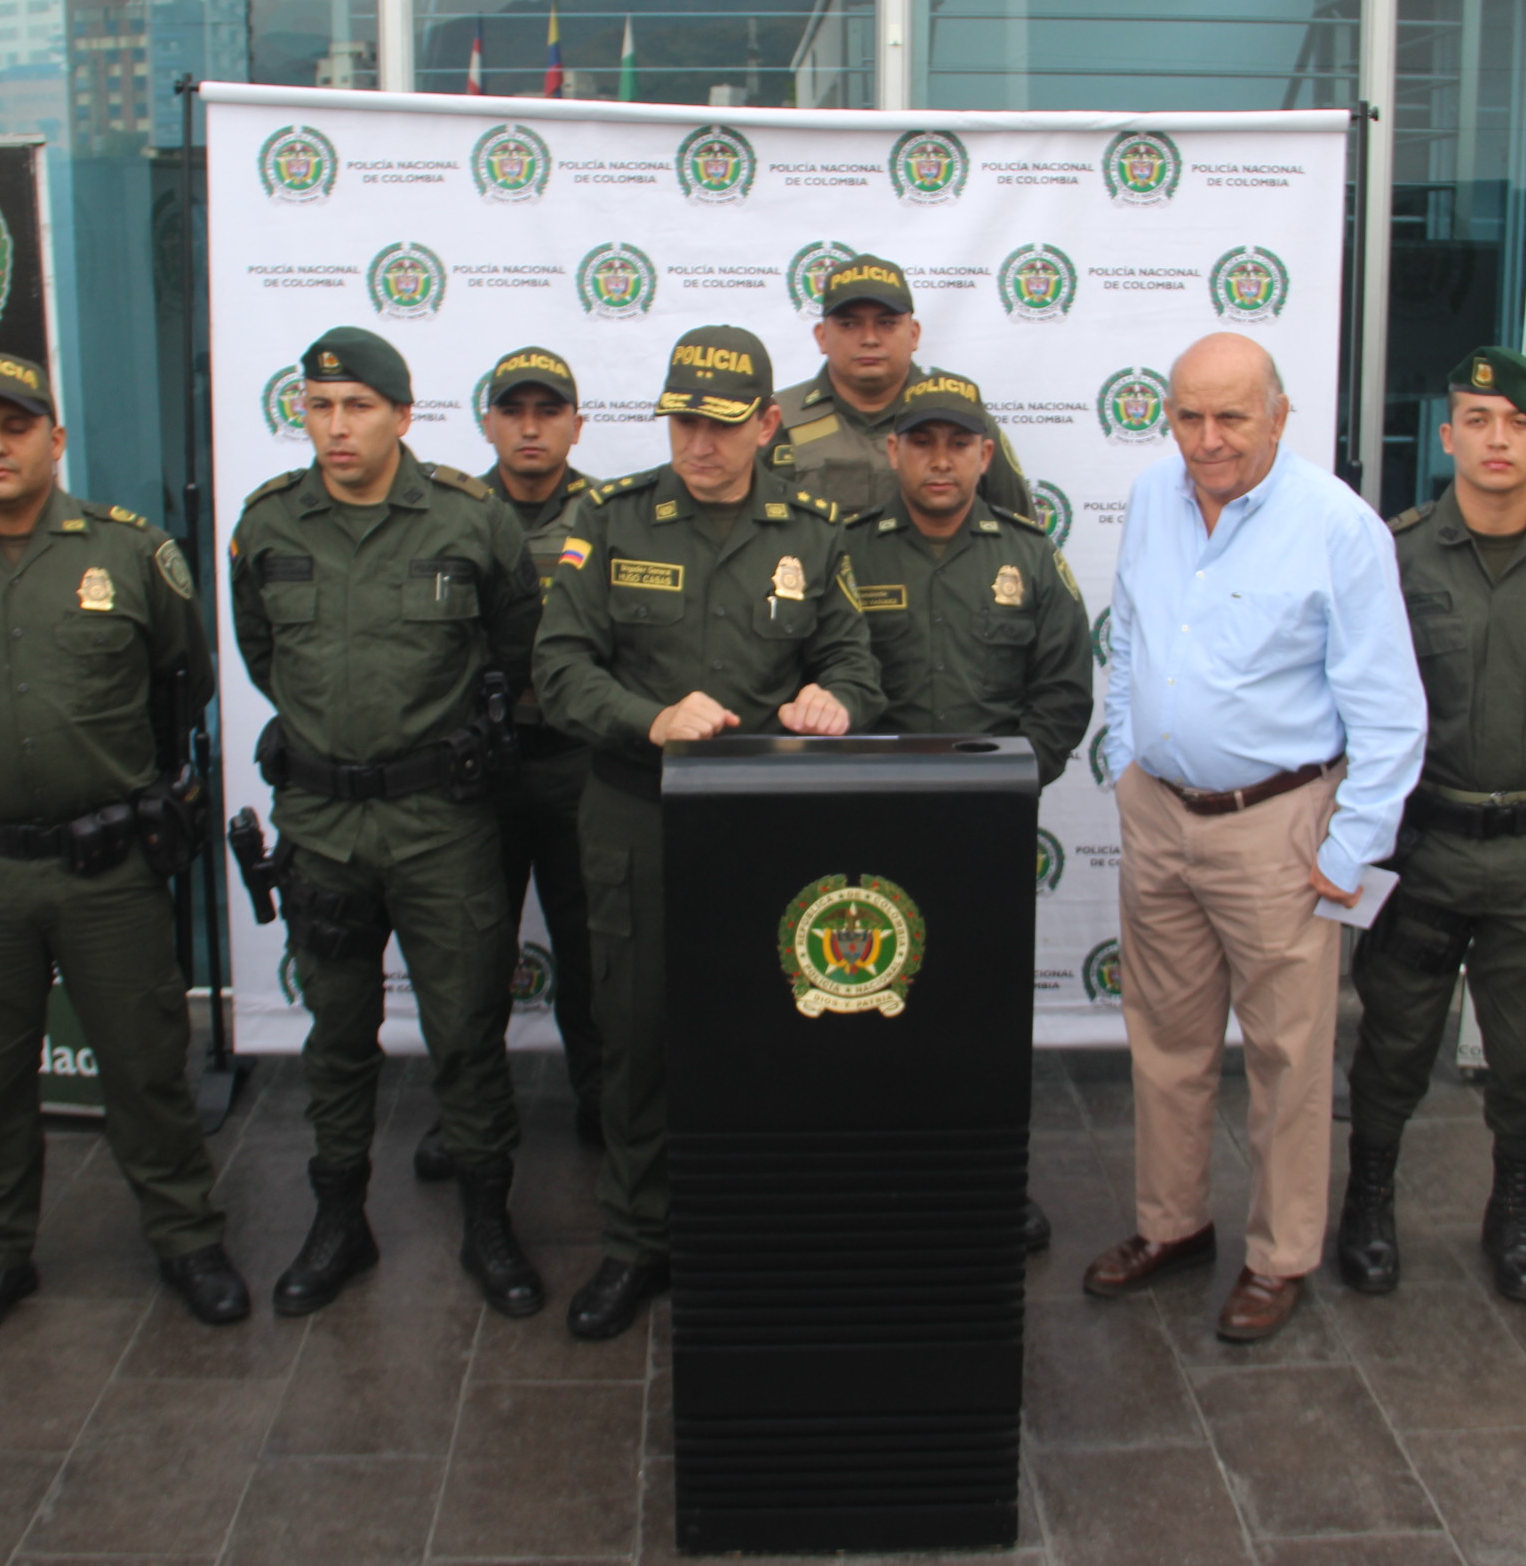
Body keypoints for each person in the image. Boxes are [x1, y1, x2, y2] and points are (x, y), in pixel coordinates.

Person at [0, 351, 245, 1348]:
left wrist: (126, 794)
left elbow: (182, 685)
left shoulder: (130, 554)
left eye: (16, 427)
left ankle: (187, 1237)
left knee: (147, 1065)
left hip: (105, 867)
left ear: (54, 440)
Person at [533, 324, 886, 1340]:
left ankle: (759, 1224)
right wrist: (647, 718)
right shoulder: (610, 519)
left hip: (768, 823)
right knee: (637, 1035)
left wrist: (836, 700)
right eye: (684, 421)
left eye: (723, 425)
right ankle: (636, 1240)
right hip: (638, 813)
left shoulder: (812, 532)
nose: (700, 443)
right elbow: (559, 668)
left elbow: (856, 664)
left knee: (776, 1029)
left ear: (767, 425)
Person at [1082, 332, 1424, 1342]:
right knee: (1167, 1043)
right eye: (1188, 416)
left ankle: (1280, 1258)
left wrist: (1348, 849)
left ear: (1280, 415)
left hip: (1279, 831)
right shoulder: (1154, 497)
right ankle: (1173, 1225)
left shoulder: (1340, 528)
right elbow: (1130, 636)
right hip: (1161, 816)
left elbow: (1390, 711)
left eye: (1232, 416)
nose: (1209, 439)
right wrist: (1125, 759)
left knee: (1287, 1060)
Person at [229, 326, 546, 1319]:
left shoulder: (468, 518)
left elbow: (518, 646)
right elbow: (261, 654)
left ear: (402, 416)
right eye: (319, 406)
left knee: (466, 1030)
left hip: (440, 823)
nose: (336, 426)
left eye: (358, 406)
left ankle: (488, 1221)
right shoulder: (268, 524)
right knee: (336, 1033)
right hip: (323, 824)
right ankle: (339, 1221)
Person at [1339, 347, 1526, 1305]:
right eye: (1477, 420)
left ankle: (1515, 1210)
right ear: (1448, 434)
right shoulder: (1396, 554)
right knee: (1393, 1040)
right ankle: (1368, 1203)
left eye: (1518, 424)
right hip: (1425, 846)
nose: (1497, 439)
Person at [838, 369, 1092, 1254]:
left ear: (986, 455)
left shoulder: (1030, 556)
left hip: (987, 833)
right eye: (923, 443)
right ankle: (878, 1175)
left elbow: (1063, 692)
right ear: (893, 450)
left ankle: (987, 1181)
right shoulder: (847, 553)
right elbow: (819, 675)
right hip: (871, 829)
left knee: (981, 1018)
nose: (940, 461)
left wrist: (1008, 790)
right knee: (869, 1009)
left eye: (958, 444)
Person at [412, 343, 608, 1182]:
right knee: (469, 956)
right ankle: (468, 1113)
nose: (531, 429)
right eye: (514, 412)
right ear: (487, 422)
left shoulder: (609, 516)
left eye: (548, 412)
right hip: (475, 769)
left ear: (577, 425)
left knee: (592, 947)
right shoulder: (443, 516)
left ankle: (604, 1100)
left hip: (576, 761)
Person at [772, 254, 1036, 520]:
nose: (869, 339)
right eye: (849, 324)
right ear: (821, 336)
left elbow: (1019, 531)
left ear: (914, 334)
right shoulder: (778, 418)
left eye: (886, 323)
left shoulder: (960, 414)